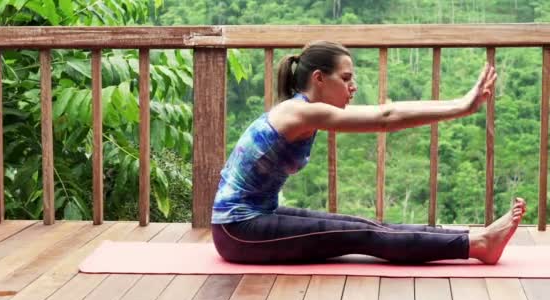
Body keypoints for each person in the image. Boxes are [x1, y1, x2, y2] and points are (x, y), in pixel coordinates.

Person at [210, 41, 526, 265]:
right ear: (318, 78)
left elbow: (385, 115)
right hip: (238, 230)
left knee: (363, 224)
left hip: (254, 218)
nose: (354, 86)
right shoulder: (299, 113)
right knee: (361, 234)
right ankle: (478, 245)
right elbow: (385, 118)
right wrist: (461, 106)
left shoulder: (300, 111)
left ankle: (475, 237)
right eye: (346, 78)